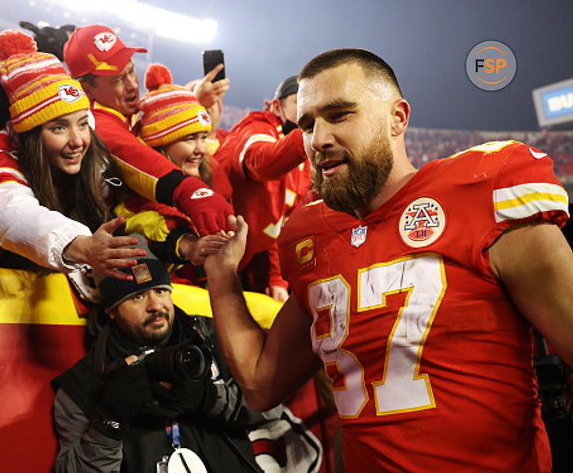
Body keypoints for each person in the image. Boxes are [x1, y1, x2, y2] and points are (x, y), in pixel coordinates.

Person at [205, 48, 573, 472]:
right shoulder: (309, 233)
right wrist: (223, 274)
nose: (318, 139)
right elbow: (260, 382)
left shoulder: (484, 188)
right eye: (307, 124)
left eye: (340, 115)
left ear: (397, 118)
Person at [52, 242, 280, 472]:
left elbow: (271, 409)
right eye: (138, 296)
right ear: (112, 310)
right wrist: (109, 422)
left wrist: (208, 399)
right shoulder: (83, 384)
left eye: (160, 290)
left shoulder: (215, 335)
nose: (155, 305)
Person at [0, 30, 145, 279]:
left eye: (83, 123)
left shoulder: (88, 134)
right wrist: (79, 245)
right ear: (30, 133)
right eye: (58, 128)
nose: (77, 141)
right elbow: (12, 211)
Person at [63, 24, 233, 237]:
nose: (132, 84)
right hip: (90, 244)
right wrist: (190, 191)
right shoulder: (90, 120)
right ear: (87, 89)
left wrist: (193, 101)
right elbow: (134, 154)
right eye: (117, 79)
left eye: (131, 70)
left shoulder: (121, 111)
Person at [115, 62, 232, 283]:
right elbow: (146, 220)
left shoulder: (203, 173)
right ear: (160, 145)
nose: (200, 149)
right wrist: (189, 245)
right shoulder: (137, 192)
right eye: (189, 139)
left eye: (202, 137)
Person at [213, 75, 310, 302]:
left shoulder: (303, 160)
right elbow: (260, 162)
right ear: (277, 106)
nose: (307, 112)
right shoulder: (259, 125)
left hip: (238, 261)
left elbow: (282, 226)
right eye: (299, 102)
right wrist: (307, 136)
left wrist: (276, 279)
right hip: (200, 255)